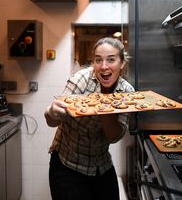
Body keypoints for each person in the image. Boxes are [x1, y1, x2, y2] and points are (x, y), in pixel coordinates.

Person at [44, 37, 134, 200]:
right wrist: (51, 112)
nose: (104, 66)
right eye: (98, 60)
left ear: (122, 64)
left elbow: (114, 137)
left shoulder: (126, 92)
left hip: (101, 165)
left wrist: (103, 105)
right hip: (67, 164)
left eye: (111, 59)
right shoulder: (82, 80)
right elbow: (53, 120)